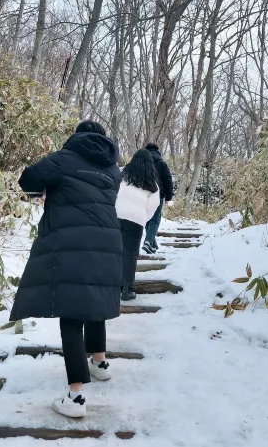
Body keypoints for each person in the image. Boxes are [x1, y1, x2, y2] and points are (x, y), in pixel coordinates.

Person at [9, 121, 122, 418]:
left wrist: (47, 189)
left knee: (71, 314)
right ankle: (100, 363)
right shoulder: (113, 169)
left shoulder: (65, 157)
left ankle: (75, 397)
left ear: (77, 136)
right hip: (107, 241)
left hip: (71, 241)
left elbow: (28, 180)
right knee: (94, 302)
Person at [115, 149, 161, 301]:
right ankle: (127, 289)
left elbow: (111, 192)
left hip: (115, 216)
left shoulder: (121, 174)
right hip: (136, 220)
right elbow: (153, 206)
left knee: (115, 251)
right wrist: (142, 218)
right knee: (130, 255)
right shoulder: (152, 183)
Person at [142, 143, 174, 254]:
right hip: (158, 195)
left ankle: (152, 245)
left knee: (147, 220)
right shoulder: (161, 163)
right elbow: (168, 181)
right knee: (155, 220)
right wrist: (169, 197)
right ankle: (148, 241)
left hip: (143, 195)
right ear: (157, 150)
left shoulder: (142, 163)